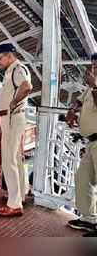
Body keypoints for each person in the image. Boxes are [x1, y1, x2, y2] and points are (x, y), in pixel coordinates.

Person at [0, 43, 32, 217]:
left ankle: (14, 205)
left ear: (10, 55)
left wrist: (13, 104)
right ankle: (19, 195)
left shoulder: (17, 69)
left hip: (11, 117)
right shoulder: (12, 71)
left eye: (0, 58)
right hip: (11, 117)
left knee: (8, 160)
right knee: (15, 159)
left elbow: (26, 87)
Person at [66, 52, 97, 237]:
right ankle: (89, 219)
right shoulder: (90, 87)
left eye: (96, 66)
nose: (92, 69)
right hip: (91, 142)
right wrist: (72, 110)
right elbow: (79, 100)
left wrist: (94, 85)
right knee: (82, 178)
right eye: (92, 65)